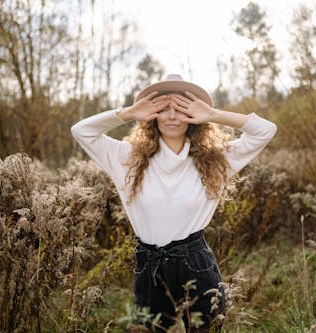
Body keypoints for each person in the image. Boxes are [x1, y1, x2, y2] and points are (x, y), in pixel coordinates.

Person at [71, 74, 277, 332]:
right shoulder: (126, 158)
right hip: (149, 264)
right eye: (163, 109)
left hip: (196, 263)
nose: (171, 116)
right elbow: (81, 131)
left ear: (193, 116)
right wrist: (130, 113)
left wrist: (212, 113)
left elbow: (266, 130)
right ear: (152, 115)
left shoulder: (215, 159)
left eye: (180, 109)